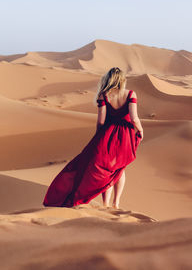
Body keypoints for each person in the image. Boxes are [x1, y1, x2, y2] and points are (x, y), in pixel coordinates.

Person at [43, 67, 143, 209]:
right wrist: (140, 130)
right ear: (122, 80)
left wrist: (98, 138)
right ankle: (116, 203)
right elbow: (134, 118)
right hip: (125, 136)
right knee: (120, 168)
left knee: (107, 171)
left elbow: (101, 122)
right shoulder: (131, 94)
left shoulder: (104, 95)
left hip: (106, 135)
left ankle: (105, 204)